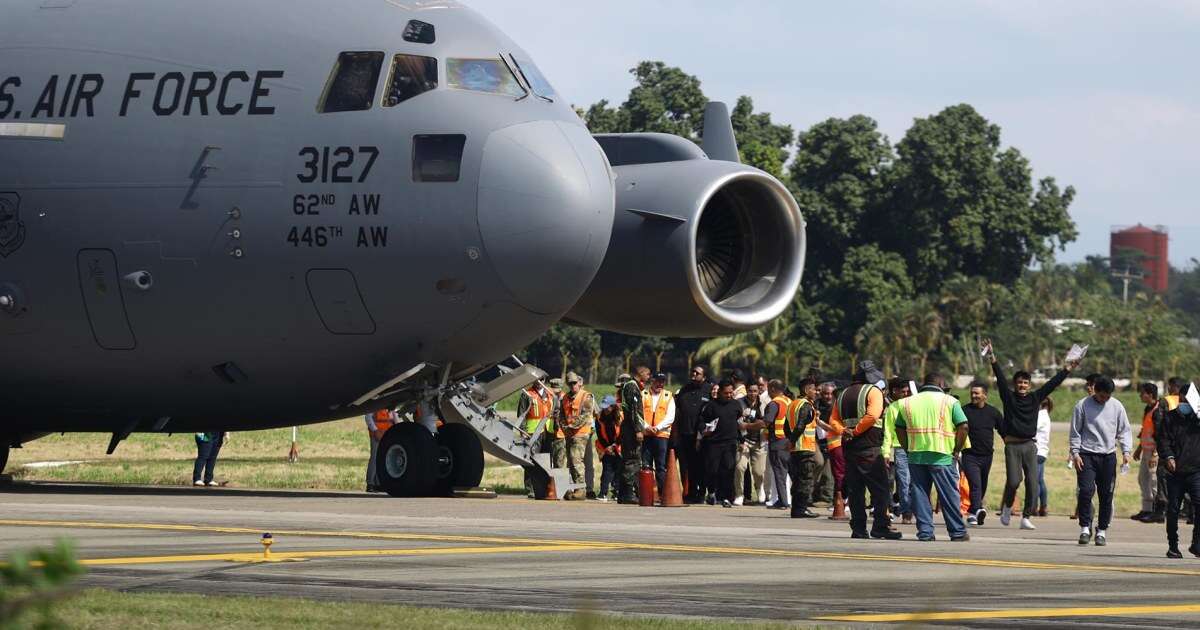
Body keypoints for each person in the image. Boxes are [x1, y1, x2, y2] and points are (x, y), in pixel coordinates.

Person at [985, 339, 1077, 528]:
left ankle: (1026, 517)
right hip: (1012, 446)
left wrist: (1067, 369)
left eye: (1025, 383)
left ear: (1029, 385)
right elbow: (1000, 379)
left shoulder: (1035, 398)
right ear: (1015, 384)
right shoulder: (1008, 397)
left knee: (1033, 483)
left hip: (1029, 445)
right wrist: (992, 358)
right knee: (1013, 481)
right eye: (1019, 382)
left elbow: (1053, 384)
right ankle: (1007, 508)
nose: (1022, 385)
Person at [891, 374, 970, 541]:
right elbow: (963, 426)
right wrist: (957, 449)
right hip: (941, 455)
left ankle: (925, 533)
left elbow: (899, 428)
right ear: (940, 383)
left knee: (920, 496)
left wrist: (907, 448)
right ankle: (957, 532)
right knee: (949, 496)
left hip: (916, 456)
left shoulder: (907, 402)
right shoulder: (949, 401)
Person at [832, 361, 901, 540]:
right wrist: (855, 432)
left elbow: (833, 420)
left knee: (856, 491)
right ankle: (880, 526)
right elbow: (872, 415)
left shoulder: (842, 394)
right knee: (881, 490)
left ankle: (858, 529)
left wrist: (844, 431)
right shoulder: (873, 392)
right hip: (870, 448)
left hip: (849, 449)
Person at [1069, 375, 1133, 547]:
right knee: (1085, 491)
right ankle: (1084, 527)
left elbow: (1124, 431)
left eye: (1108, 396)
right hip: (1086, 455)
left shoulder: (1117, 406)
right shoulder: (1082, 405)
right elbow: (1075, 432)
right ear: (1095, 391)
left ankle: (1102, 530)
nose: (1104, 399)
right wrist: (1075, 453)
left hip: (1108, 456)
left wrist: (1126, 451)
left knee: (1106, 495)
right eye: (1102, 395)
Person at [1156, 383, 1200, 558]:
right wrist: (1169, 457)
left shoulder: (1198, 419)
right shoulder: (1170, 418)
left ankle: (1197, 543)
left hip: (1196, 471)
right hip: (1175, 472)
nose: (1185, 402)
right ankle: (1173, 545)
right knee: (1173, 509)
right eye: (1183, 399)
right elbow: (1163, 440)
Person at [961, 381, 1003, 526]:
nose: (974, 396)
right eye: (972, 393)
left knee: (982, 485)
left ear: (985, 395)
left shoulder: (993, 413)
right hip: (969, 455)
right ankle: (973, 513)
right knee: (975, 484)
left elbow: (1004, 431)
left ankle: (978, 509)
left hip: (987, 456)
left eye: (977, 393)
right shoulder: (964, 411)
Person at [700, 379, 744, 507]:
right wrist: (704, 430)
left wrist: (742, 440)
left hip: (730, 442)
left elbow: (740, 424)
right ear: (719, 393)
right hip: (714, 443)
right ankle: (712, 492)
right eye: (726, 393)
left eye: (731, 392)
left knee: (728, 470)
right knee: (712, 470)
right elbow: (702, 421)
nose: (729, 395)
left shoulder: (736, 405)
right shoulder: (711, 406)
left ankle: (726, 498)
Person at [785, 377, 821, 518]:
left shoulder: (793, 404)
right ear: (806, 390)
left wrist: (790, 440)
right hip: (805, 448)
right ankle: (802, 509)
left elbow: (786, 426)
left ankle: (796, 509)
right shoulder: (806, 405)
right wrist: (793, 440)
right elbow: (800, 425)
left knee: (797, 480)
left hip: (795, 450)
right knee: (805, 480)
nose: (816, 392)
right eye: (813, 389)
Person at [674, 365, 711, 503]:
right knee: (687, 465)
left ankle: (702, 493)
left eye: (698, 373)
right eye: (693, 372)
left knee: (701, 465)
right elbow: (677, 411)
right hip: (685, 434)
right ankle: (690, 493)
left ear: (704, 377)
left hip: (701, 436)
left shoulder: (709, 390)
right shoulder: (684, 389)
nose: (694, 374)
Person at [559, 372, 598, 500]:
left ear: (579, 383)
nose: (572, 386)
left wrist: (572, 426)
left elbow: (586, 415)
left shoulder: (586, 396)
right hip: (569, 433)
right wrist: (564, 426)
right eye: (570, 384)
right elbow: (561, 415)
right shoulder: (564, 398)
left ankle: (581, 489)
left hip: (581, 433)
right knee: (570, 462)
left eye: (574, 383)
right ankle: (573, 487)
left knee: (576, 460)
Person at [882, 377, 913, 525]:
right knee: (903, 482)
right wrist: (886, 452)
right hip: (899, 449)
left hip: (915, 448)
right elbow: (888, 431)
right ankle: (906, 511)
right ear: (895, 391)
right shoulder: (892, 409)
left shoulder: (913, 405)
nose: (906, 394)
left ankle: (910, 509)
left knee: (913, 483)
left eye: (908, 391)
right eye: (903, 392)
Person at [1132, 382, 1164, 522]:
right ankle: (1147, 509)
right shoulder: (1148, 409)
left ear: (1150, 394)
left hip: (1154, 453)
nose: (1140, 395)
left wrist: (1155, 454)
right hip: (1146, 450)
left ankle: (1159, 512)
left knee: (1154, 482)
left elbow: (1161, 435)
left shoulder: (1158, 411)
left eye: (1142, 392)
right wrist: (1139, 449)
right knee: (1143, 480)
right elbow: (1145, 431)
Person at [733, 381, 768, 506]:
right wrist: (741, 439)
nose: (752, 393)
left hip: (760, 441)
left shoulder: (764, 403)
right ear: (746, 391)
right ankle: (739, 494)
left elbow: (764, 423)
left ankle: (759, 489)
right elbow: (737, 423)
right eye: (750, 391)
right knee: (740, 467)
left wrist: (748, 425)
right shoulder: (739, 403)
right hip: (744, 441)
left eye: (755, 391)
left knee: (758, 471)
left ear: (759, 391)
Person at [516, 379, 554, 498]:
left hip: (548, 431)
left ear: (544, 380)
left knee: (547, 460)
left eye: (541, 379)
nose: (539, 382)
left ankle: (545, 487)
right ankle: (530, 488)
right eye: (536, 380)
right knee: (531, 460)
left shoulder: (550, 394)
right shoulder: (527, 394)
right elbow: (521, 414)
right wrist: (523, 431)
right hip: (532, 432)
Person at [617, 367, 650, 504]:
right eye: (647, 374)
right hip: (631, 429)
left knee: (627, 460)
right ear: (640, 374)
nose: (649, 377)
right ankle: (629, 493)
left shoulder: (630, 386)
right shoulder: (633, 387)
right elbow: (634, 410)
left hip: (628, 427)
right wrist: (638, 429)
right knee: (633, 460)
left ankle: (623, 493)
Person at [816, 381, 848, 520]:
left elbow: (836, 428)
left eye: (832, 394)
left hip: (837, 444)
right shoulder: (821, 406)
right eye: (826, 394)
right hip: (832, 444)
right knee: (837, 474)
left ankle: (841, 502)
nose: (829, 397)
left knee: (839, 474)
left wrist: (819, 423)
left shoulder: (838, 409)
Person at [641, 373, 676, 497]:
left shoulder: (668, 396)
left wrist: (657, 428)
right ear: (652, 381)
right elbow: (638, 414)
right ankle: (646, 494)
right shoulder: (643, 394)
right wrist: (646, 427)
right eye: (658, 381)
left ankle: (662, 494)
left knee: (661, 466)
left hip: (661, 436)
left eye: (663, 382)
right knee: (646, 465)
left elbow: (670, 417)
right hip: (646, 435)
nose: (660, 384)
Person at [761, 379, 793, 510]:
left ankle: (783, 501)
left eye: (768, 388)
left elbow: (766, 422)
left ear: (773, 389)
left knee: (779, 474)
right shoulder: (789, 401)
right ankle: (791, 500)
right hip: (789, 442)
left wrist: (747, 425)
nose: (767, 391)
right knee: (789, 473)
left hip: (778, 442)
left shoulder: (774, 403)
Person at [594, 402, 622, 502]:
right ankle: (603, 493)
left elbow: (622, 433)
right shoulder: (599, 418)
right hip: (605, 447)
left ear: (613, 407)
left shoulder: (620, 417)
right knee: (607, 470)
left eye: (607, 407)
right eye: (604, 408)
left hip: (619, 446)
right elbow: (599, 435)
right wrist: (607, 447)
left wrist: (614, 445)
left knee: (619, 470)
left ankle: (617, 492)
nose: (605, 410)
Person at [364, 408, 396, 493]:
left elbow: (394, 417)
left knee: (383, 459)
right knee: (375, 458)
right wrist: (375, 430)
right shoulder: (375, 403)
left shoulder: (389, 404)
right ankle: (370, 483)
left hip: (387, 434)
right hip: (377, 435)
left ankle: (379, 484)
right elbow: (368, 417)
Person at [1035, 398, 1053, 517]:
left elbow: (1032, 428)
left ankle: (1033, 506)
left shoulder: (1040, 416)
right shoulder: (1046, 416)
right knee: (1040, 480)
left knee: (1034, 481)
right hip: (1042, 452)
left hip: (1036, 451)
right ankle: (1043, 506)